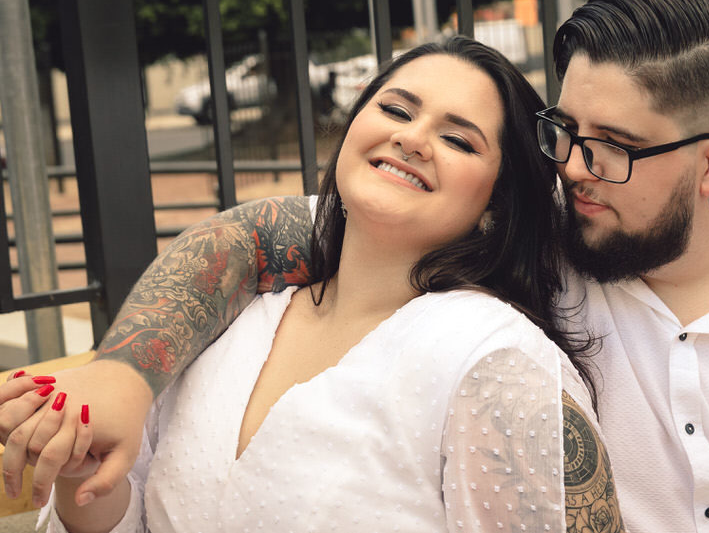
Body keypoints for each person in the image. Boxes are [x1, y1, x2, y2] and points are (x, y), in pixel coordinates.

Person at [6, 0, 709, 531]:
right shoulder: (537, 227)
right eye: (563, 130)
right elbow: (254, 237)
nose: (572, 167)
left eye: (613, 148)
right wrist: (121, 375)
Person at [0, 36, 624, 533]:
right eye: (396, 109)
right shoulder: (233, 315)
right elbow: (132, 512)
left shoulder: (494, 360)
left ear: (497, 202)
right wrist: (82, 478)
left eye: (458, 139)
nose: (411, 138)